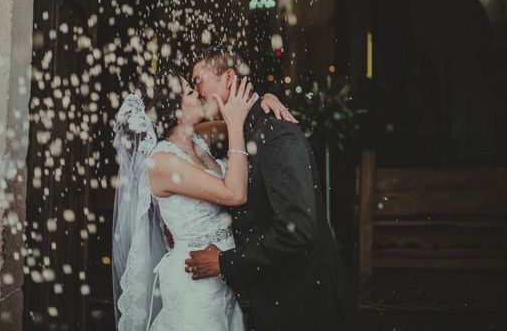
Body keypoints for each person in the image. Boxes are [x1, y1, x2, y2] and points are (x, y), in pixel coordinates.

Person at [112, 64, 292, 330]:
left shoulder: (198, 138)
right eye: (189, 92)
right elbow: (234, 193)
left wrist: (265, 99)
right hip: (192, 280)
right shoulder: (162, 162)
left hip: (220, 276)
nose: (198, 93)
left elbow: (248, 118)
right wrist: (233, 124)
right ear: (174, 108)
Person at [185, 46, 353, 330]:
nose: (196, 90)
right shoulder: (244, 128)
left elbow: (297, 230)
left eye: (198, 80)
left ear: (228, 79)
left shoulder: (275, 132)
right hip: (279, 295)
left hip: (302, 302)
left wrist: (226, 263)